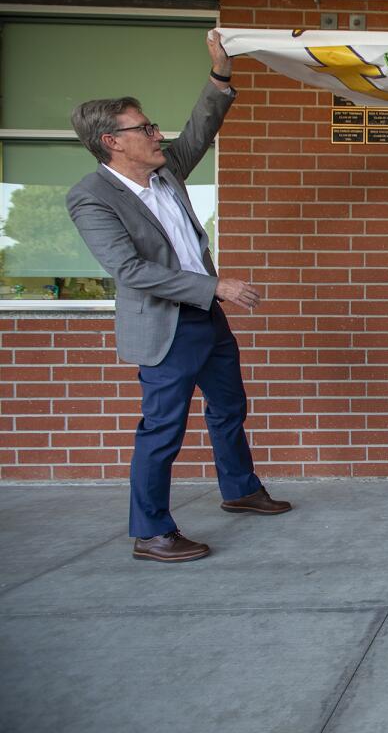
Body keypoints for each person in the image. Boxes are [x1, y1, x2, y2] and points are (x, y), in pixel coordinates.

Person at [65, 30, 290, 564]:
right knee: (163, 428)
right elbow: (129, 269)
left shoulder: (166, 171)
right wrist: (216, 285)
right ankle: (151, 532)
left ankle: (239, 489)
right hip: (167, 325)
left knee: (229, 405)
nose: (156, 132)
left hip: (207, 319)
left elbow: (201, 129)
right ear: (112, 142)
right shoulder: (91, 197)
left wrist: (220, 74)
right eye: (143, 127)